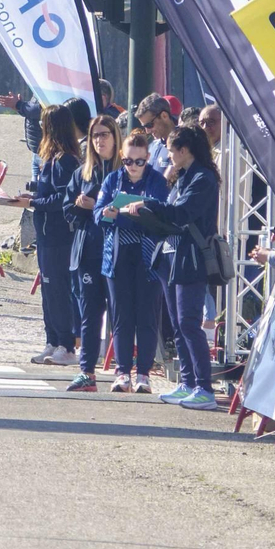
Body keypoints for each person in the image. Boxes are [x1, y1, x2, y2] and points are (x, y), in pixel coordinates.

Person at [118, 125, 222, 410]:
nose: (169, 157)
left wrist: (148, 204)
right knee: (177, 324)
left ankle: (204, 387)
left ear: (184, 150)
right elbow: (172, 213)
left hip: (192, 256)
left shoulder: (202, 178)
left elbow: (182, 212)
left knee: (189, 322)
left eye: (172, 151)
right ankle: (188, 382)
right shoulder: (184, 176)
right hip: (173, 254)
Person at [98, 130, 169, 392]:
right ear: (121, 157)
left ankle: (144, 375)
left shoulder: (157, 181)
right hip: (117, 256)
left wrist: (121, 216)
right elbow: (98, 216)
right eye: (128, 161)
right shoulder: (112, 180)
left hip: (148, 256)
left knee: (147, 317)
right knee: (121, 316)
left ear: (148, 159)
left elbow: (158, 216)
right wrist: (108, 213)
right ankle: (122, 372)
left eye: (139, 162)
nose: (134, 167)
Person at [15, 105, 80, 366]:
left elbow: (65, 196)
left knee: (58, 290)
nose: (41, 130)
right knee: (48, 290)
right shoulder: (51, 159)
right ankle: (52, 340)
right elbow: (49, 194)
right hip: (46, 234)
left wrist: (34, 203)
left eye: (44, 125)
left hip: (59, 235)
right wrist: (33, 197)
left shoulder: (65, 160)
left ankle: (66, 344)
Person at [63, 114, 121, 390]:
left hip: (120, 250)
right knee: (90, 313)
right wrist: (78, 206)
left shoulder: (125, 170)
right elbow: (67, 209)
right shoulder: (82, 172)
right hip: (87, 250)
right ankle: (87, 371)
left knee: (120, 313)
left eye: (104, 134)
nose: (99, 140)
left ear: (115, 137)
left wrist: (96, 204)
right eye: (95, 135)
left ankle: (125, 371)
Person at [134, 93, 175, 175]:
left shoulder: (184, 144)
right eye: (144, 127)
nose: (147, 131)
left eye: (149, 125)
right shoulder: (152, 147)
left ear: (164, 116)